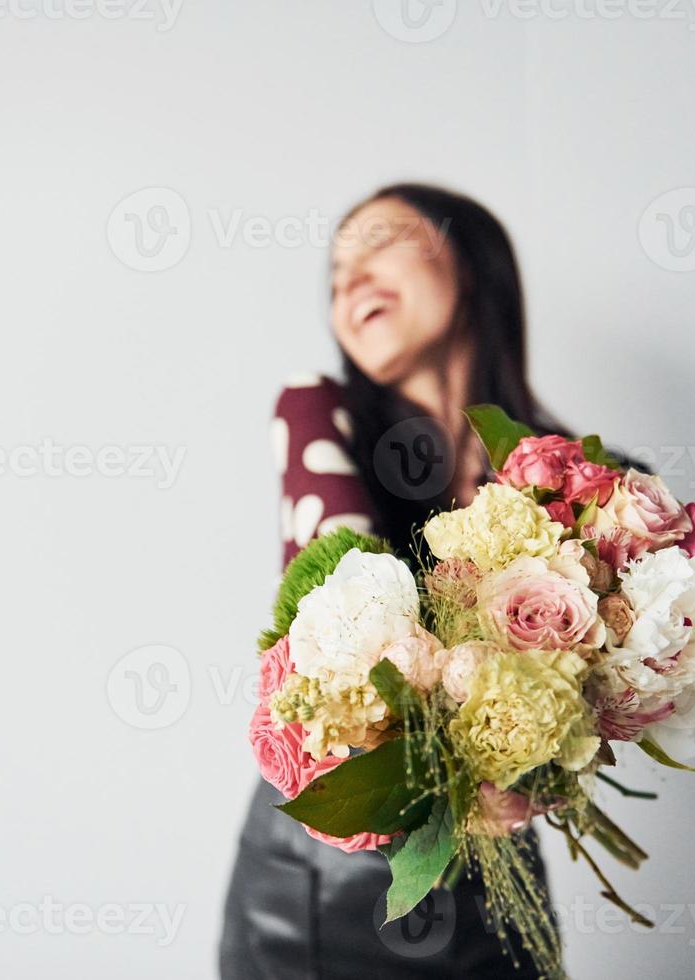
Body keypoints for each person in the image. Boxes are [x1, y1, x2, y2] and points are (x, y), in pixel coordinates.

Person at [219, 183, 570, 978]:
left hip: (497, 885)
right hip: (323, 887)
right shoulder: (317, 412)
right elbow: (343, 627)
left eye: (379, 245)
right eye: (337, 278)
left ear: (470, 263)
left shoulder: (577, 480)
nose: (351, 285)